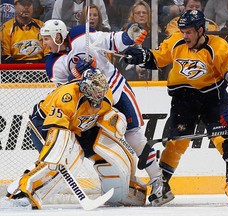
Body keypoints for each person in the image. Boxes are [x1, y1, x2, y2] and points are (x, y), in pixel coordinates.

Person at [123, 10, 228, 206]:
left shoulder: (218, 46)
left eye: (189, 32)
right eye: (183, 31)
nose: (185, 36)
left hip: (213, 97)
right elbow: (157, 58)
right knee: (176, 141)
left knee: (221, 136)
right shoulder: (176, 42)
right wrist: (140, 57)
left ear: (200, 30)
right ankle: (162, 184)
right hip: (184, 98)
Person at [39, 19, 166, 206]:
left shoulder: (81, 35)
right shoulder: (52, 63)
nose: (44, 44)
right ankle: (117, 186)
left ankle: (157, 180)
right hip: (91, 105)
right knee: (99, 145)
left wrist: (129, 36)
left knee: (134, 137)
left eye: (47, 39)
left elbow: (111, 41)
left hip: (114, 90)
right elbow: (63, 92)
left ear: (58, 36)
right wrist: (74, 73)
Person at [5, 68, 147, 209]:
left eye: (101, 91)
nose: (99, 95)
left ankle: (121, 192)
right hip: (44, 123)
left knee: (100, 153)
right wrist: (59, 155)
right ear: (85, 88)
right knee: (58, 159)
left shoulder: (106, 95)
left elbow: (104, 116)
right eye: (95, 91)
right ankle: (21, 190)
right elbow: (57, 132)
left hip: (77, 126)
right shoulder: (68, 97)